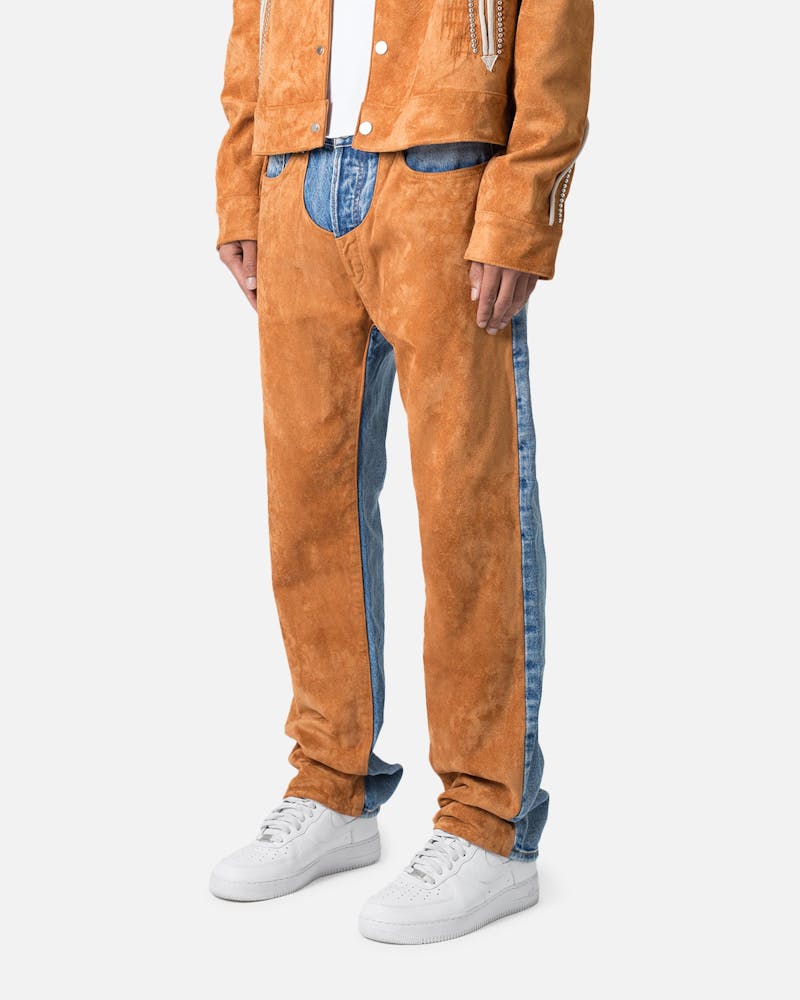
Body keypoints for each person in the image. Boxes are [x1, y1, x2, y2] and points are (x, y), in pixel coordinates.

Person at [209, 0, 593, 944]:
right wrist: (241, 184)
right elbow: (252, 19)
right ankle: (331, 785)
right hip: (295, 167)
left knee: (468, 503)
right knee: (307, 506)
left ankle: (489, 822)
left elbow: (554, 23)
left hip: (444, 171)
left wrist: (523, 208)